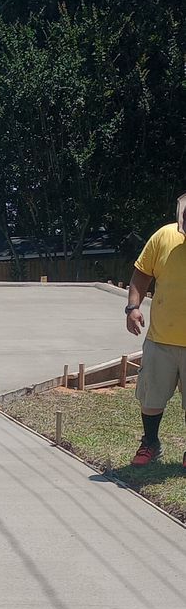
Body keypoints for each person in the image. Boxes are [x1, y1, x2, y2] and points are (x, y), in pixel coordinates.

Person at [125, 192, 186, 466]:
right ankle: (150, 443)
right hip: (161, 339)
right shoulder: (164, 237)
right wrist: (132, 307)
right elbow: (141, 273)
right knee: (151, 395)